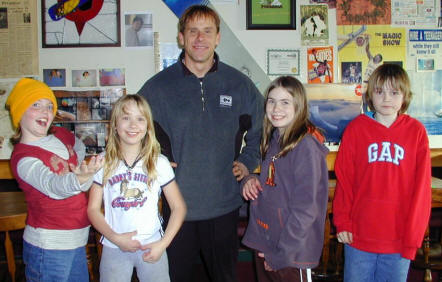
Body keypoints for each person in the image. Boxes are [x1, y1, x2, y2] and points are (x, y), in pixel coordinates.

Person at [138, 5, 264, 282]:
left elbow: (262, 130)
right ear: (181, 37)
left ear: (218, 37)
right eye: (192, 31)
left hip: (224, 206)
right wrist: (151, 161)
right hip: (177, 209)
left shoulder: (239, 85)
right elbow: (131, 132)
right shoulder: (157, 88)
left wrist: (247, 161)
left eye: (207, 31)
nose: (200, 38)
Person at [332, 64, 432, 282]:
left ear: (405, 95)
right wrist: (343, 222)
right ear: (370, 95)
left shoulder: (416, 133)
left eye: (394, 92)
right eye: (380, 92)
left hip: (399, 238)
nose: (387, 98)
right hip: (358, 236)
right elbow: (345, 181)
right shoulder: (356, 130)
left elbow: (422, 190)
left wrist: (414, 236)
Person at [6, 77, 104, 281]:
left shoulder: (59, 133)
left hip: (77, 240)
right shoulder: (23, 157)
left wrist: (79, 166)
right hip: (48, 246)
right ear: (19, 112)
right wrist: (78, 178)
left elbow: (78, 145)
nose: (45, 111)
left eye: (49, 106)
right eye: (36, 105)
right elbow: (53, 186)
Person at [87, 94, 187, 282]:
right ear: (115, 125)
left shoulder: (160, 162)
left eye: (140, 119)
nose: (133, 125)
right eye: (126, 118)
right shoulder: (102, 162)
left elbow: (178, 207)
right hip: (113, 246)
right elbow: (92, 209)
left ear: (148, 126)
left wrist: (163, 244)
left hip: (152, 245)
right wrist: (116, 238)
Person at [240, 76, 329, 282]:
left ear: (299, 106)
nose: (276, 108)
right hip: (266, 240)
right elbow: (275, 181)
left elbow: (306, 210)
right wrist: (251, 179)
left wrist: (281, 254)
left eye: (285, 102)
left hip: (290, 253)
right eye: (271, 101)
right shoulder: (273, 140)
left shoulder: (306, 147)